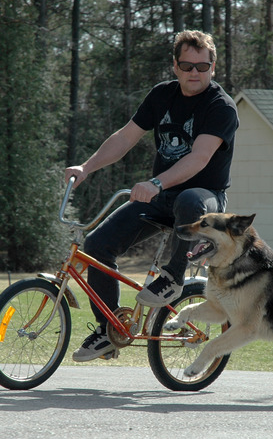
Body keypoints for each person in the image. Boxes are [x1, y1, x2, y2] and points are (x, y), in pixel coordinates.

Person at [63, 30, 239, 362]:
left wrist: (156, 183)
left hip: (206, 201)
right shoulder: (162, 95)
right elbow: (124, 137)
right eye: (187, 65)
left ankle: (173, 275)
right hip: (162, 198)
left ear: (213, 67)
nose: (194, 73)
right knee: (98, 245)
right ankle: (108, 329)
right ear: (175, 66)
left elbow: (199, 159)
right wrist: (85, 168)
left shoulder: (222, 107)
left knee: (189, 199)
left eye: (202, 66)